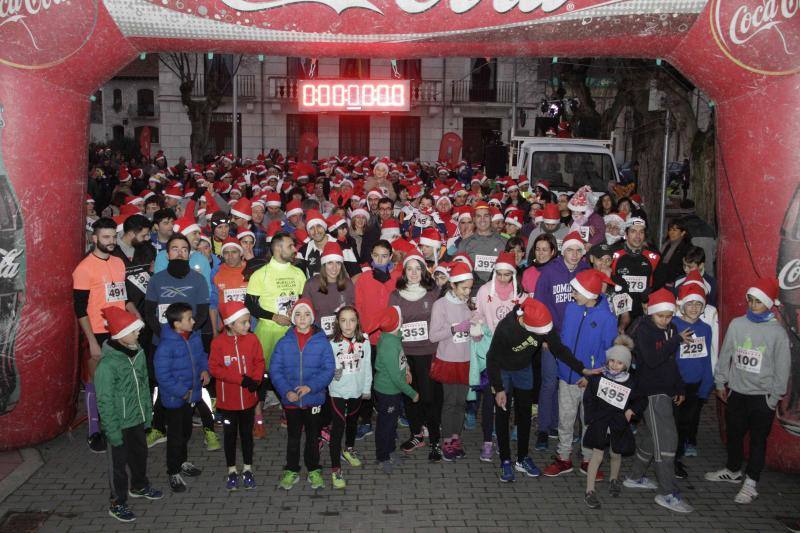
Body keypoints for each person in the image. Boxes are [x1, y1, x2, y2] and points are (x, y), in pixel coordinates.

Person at [487, 297, 596, 482]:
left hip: (523, 370)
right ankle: (505, 459)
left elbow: (559, 350)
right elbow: (492, 359)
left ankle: (522, 458)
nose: (543, 335)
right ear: (524, 322)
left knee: (524, 414)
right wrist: (498, 389)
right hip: (503, 371)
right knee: (503, 413)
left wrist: (582, 369)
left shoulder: (542, 322)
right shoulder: (506, 328)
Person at [705, 279, 790, 504]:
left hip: (762, 397)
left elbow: (783, 368)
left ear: (769, 303)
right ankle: (733, 471)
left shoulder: (777, 333)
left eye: (758, 301)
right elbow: (726, 353)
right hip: (737, 393)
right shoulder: (737, 324)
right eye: (750, 300)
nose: (753, 305)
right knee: (734, 434)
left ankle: (751, 483)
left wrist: (773, 399)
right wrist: (720, 382)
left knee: (757, 441)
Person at [623, 289, 694, 514]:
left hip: (665, 390)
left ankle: (634, 477)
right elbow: (652, 360)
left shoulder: (672, 330)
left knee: (650, 438)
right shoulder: (644, 331)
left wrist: (679, 386)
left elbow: (670, 362)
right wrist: (674, 340)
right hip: (651, 393)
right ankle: (667, 492)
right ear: (651, 313)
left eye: (669, 316)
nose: (665, 320)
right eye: (660, 316)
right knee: (667, 441)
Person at [144, 234, 217, 451]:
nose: (180, 252)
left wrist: (187, 333)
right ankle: (158, 428)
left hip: (191, 342)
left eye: (184, 249)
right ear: (167, 254)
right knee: (163, 385)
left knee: (198, 385)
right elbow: (149, 312)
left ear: (189, 253)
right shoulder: (157, 280)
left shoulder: (198, 280)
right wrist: (168, 336)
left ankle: (209, 429)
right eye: (175, 249)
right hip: (163, 342)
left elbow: (203, 312)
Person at [543, 269, 618, 479]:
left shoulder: (607, 318)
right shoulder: (572, 309)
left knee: (589, 420)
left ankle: (588, 459)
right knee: (565, 419)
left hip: (590, 380)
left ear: (591, 294)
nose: (572, 295)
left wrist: (593, 377)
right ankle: (563, 457)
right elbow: (566, 340)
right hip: (567, 375)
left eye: (576, 291)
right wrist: (562, 365)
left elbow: (609, 353)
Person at [95, 307, 162, 523]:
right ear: (120, 334)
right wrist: (112, 430)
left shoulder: (138, 352)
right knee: (118, 465)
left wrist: (148, 414)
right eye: (133, 331)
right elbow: (104, 400)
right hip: (118, 423)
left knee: (139, 455)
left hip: (137, 418)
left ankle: (139, 486)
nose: (138, 334)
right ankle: (117, 503)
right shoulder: (107, 365)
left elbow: (144, 386)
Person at [72, 217, 129, 452]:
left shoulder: (119, 263)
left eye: (113, 237)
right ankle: (94, 432)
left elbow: (124, 297)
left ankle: (114, 425)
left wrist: (134, 322)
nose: (111, 241)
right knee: (95, 382)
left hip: (120, 332)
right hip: (96, 331)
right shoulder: (84, 268)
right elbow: (79, 308)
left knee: (116, 382)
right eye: (106, 237)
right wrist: (93, 342)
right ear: (94, 238)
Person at [270, 299, 335, 491]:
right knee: (293, 437)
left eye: (306, 314)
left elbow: (328, 369)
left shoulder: (322, 342)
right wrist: (286, 391)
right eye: (298, 314)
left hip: (313, 399)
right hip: (291, 401)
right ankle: (292, 469)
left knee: (313, 437)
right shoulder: (284, 342)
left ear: (312, 317)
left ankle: (314, 469)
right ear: (292, 318)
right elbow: (275, 370)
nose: (302, 318)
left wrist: (311, 387)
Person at [533, 231, 590, 448]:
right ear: (562, 251)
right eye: (570, 250)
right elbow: (539, 306)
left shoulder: (586, 271)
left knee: (571, 383)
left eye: (578, 250)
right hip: (553, 336)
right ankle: (543, 428)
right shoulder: (549, 272)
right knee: (549, 383)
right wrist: (544, 337)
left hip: (577, 338)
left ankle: (565, 426)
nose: (574, 254)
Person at [581, 335, 646, 509]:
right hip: (600, 422)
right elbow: (589, 398)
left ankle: (613, 480)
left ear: (626, 364)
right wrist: (590, 417)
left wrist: (632, 412)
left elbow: (640, 400)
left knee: (616, 453)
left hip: (618, 423)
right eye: (612, 361)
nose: (614, 365)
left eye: (619, 363)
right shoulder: (599, 378)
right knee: (597, 456)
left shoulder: (631, 382)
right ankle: (590, 490)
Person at [208, 301, 265, 491]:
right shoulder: (218, 343)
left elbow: (259, 361)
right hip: (228, 402)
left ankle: (248, 469)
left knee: (247, 436)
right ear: (230, 324)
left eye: (248, 322)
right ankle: (231, 470)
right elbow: (215, 368)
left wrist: (255, 380)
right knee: (230, 437)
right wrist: (241, 379)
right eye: (243, 323)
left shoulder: (252, 340)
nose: (248, 326)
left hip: (248, 400)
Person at [470, 252, 522, 461]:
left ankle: (501, 439)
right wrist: (477, 326)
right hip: (491, 353)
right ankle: (487, 442)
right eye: (498, 274)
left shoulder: (520, 294)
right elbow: (478, 314)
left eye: (507, 274)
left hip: (511, 353)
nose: (502, 278)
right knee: (490, 399)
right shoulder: (484, 291)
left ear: (513, 274)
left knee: (506, 399)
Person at [154, 303, 209, 493]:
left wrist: (204, 370)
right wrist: (182, 392)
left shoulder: (193, 337)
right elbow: (163, 376)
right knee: (175, 436)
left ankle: (183, 461)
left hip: (190, 395)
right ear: (177, 324)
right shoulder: (166, 346)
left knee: (186, 431)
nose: (193, 321)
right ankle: (173, 470)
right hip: (175, 398)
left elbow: (201, 357)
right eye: (189, 319)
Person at [389, 252, 440, 457]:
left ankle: (435, 440)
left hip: (428, 352)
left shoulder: (433, 292)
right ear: (404, 272)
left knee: (429, 398)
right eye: (409, 269)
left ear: (424, 271)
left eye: (417, 268)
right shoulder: (395, 295)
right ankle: (416, 434)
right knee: (410, 397)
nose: (413, 273)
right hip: (405, 353)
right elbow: (393, 326)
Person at [245, 232, 306, 394]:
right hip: (268, 332)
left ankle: (288, 407)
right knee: (262, 372)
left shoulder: (298, 273)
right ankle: (259, 408)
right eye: (290, 246)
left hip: (293, 332)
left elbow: (304, 302)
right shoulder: (260, 274)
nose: (294, 250)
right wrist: (273, 317)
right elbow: (250, 305)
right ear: (278, 248)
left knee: (291, 371)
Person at [354, 240, 401, 438]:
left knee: (392, 380)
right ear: (371, 256)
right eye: (376, 255)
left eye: (384, 256)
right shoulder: (364, 279)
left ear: (391, 256)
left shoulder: (398, 276)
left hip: (392, 339)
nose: (380, 260)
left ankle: (390, 420)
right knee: (369, 380)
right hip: (370, 338)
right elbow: (358, 307)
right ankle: (366, 420)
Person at [428, 262, 474, 462]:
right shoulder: (441, 305)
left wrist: (477, 333)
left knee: (461, 402)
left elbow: (473, 330)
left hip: (466, 360)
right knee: (449, 402)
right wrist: (454, 329)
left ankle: (456, 438)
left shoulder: (468, 303)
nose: (468, 291)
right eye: (464, 287)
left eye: (470, 287)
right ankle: (446, 440)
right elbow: (433, 336)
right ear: (453, 285)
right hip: (447, 360)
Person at [328, 306, 372, 489]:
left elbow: (367, 365)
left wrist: (366, 388)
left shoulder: (365, 341)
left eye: (352, 320)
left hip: (357, 389)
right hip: (337, 391)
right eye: (344, 320)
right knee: (338, 428)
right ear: (338, 322)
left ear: (358, 321)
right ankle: (335, 469)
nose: (348, 324)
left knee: (353, 422)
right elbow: (326, 367)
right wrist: (333, 373)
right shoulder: (330, 342)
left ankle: (349, 449)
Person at [671, 283, 713, 478]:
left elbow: (706, 358)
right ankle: (667, 459)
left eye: (698, 304)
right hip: (675, 385)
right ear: (681, 306)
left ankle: (677, 459)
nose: (694, 308)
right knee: (672, 424)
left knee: (685, 425)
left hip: (694, 386)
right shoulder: (674, 325)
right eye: (690, 304)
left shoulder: (705, 329)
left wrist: (706, 385)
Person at [373, 306, 420, 472]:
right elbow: (395, 377)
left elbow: (400, 358)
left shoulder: (393, 338)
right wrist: (411, 393)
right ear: (398, 322)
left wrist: (406, 368)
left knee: (392, 424)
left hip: (393, 390)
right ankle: (382, 456)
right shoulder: (389, 344)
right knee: (385, 425)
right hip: (388, 391)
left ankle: (390, 450)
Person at [301, 241, 355, 337]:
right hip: (318, 336)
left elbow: (353, 311)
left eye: (338, 263)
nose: (334, 268)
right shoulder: (311, 284)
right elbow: (305, 313)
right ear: (324, 264)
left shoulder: (348, 284)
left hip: (342, 335)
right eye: (330, 263)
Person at [457, 201, 507, 292]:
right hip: (472, 292)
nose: (482, 219)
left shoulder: (504, 242)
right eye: (479, 216)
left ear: (491, 218)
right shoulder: (464, 244)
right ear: (474, 219)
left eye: (486, 216)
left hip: (498, 292)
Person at [655, 220, 692, 289]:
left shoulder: (686, 248)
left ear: (683, 233)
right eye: (670, 230)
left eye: (674, 230)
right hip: (661, 282)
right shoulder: (666, 245)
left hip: (675, 283)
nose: (671, 232)